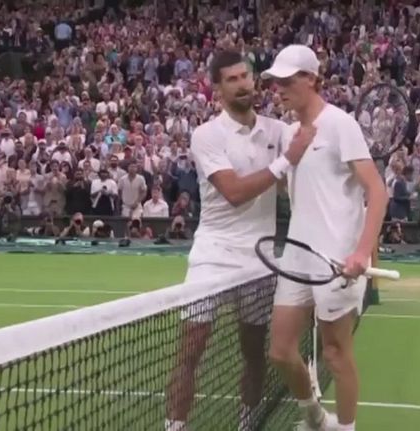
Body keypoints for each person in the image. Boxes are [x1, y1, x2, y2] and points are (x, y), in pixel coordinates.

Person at [164, 50, 314, 431]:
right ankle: (174, 427)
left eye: (246, 76)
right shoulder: (206, 135)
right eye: (232, 79)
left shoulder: (278, 131)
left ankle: (248, 424)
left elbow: (309, 148)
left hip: (258, 260)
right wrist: (286, 161)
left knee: (254, 352)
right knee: (190, 352)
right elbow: (234, 192)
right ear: (217, 88)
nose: (243, 84)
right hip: (212, 255)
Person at [261, 45, 388, 431]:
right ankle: (316, 417)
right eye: (276, 82)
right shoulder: (291, 134)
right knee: (280, 350)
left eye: (288, 81)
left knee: (335, 353)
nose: (279, 89)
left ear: (312, 79)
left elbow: (376, 190)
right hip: (297, 255)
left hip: (337, 259)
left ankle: (346, 428)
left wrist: (362, 253)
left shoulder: (340, 124)